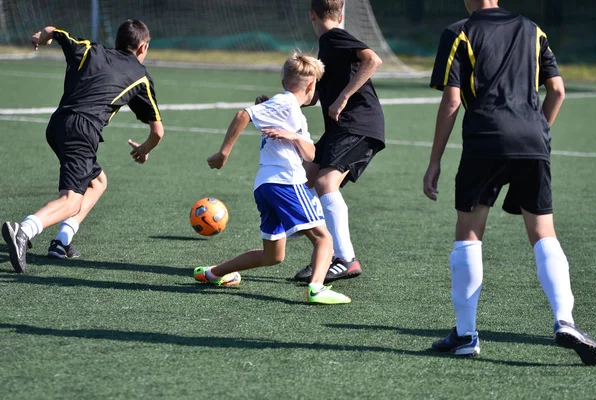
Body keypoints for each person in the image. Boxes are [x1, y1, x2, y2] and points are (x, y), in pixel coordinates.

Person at [423, 0, 596, 365]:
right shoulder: (532, 28)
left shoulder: (459, 32)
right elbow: (558, 90)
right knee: (543, 233)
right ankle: (564, 320)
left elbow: (452, 101)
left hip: (486, 139)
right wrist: (538, 133)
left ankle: (466, 334)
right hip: (533, 139)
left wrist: (435, 160)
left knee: (469, 236)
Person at [2, 20, 164, 273]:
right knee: (71, 201)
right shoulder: (140, 76)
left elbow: (57, 32)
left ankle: (61, 241)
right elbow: (158, 132)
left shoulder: (90, 49)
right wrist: (145, 149)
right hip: (82, 131)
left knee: (98, 182)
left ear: (116, 42)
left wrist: (43, 37)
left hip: (57, 125)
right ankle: (23, 231)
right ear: (143, 47)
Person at [196, 51, 350, 305]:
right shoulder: (286, 103)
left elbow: (311, 154)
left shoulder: (292, 113)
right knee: (324, 239)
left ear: (283, 81)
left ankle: (213, 273)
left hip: (266, 186)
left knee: (273, 255)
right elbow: (243, 114)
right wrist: (223, 153)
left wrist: (293, 137)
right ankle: (317, 288)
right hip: (286, 181)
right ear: (312, 86)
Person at [291, 0, 386, 283]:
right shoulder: (327, 46)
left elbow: (372, 59)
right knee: (303, 180)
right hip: (339, 129)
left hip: (358, 125)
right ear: (341, 14)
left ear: (312, 15)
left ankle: (346, 259)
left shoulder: (334, 37)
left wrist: (344, 98)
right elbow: (314, 97)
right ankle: (324, 257)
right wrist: (276, 104)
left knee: (324, 183)